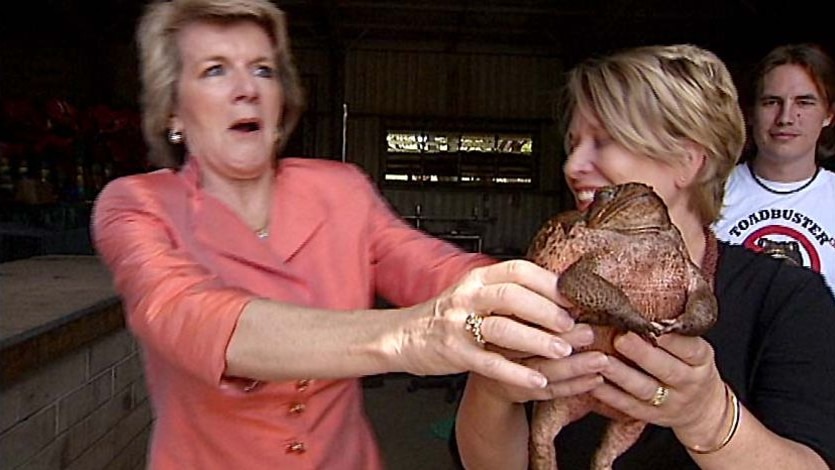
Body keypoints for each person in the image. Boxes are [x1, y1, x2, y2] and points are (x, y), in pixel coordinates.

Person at [90, 1, 587, 468]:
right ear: (172, 110)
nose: (248, 89)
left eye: (262, 69)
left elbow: (431, 268)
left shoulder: (339, 190)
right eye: (215, 70)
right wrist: (410, 335)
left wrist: (538, 303)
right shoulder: (137, 204)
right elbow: (187, 314)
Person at [455, 44, 835, 469]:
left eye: (604, 141)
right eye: (574, 143)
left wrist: (709, 417)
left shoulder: (787, 300)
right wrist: (490, 385)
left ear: (687, 162)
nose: (572, 165)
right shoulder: (545, 282)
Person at [713, 43, 835, 293]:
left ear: (829, 114)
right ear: (750, 113)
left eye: (804, 102)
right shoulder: (710, 194)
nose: (786, 117)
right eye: (771, 102)